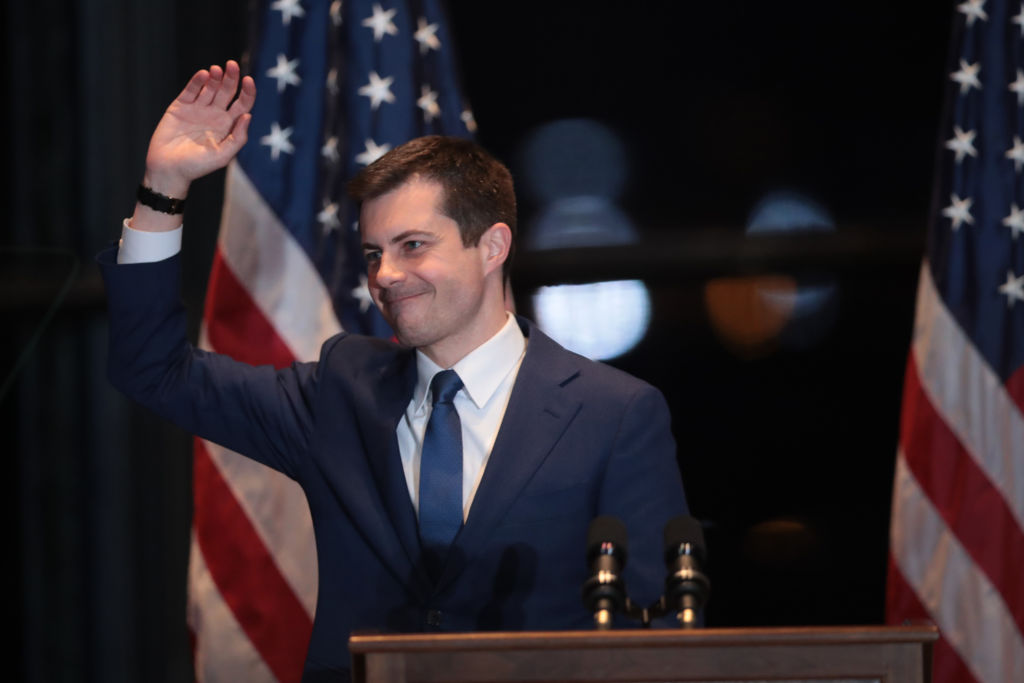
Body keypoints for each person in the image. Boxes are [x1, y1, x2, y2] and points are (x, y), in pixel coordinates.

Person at [100, 61, 688, 682]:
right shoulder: (339, 392)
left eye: (413, 246)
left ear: (492, 247)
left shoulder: (613, 412)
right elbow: (151, 367)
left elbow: (654, 631)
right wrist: (163, 185)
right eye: (375, 253)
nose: (383, 275)